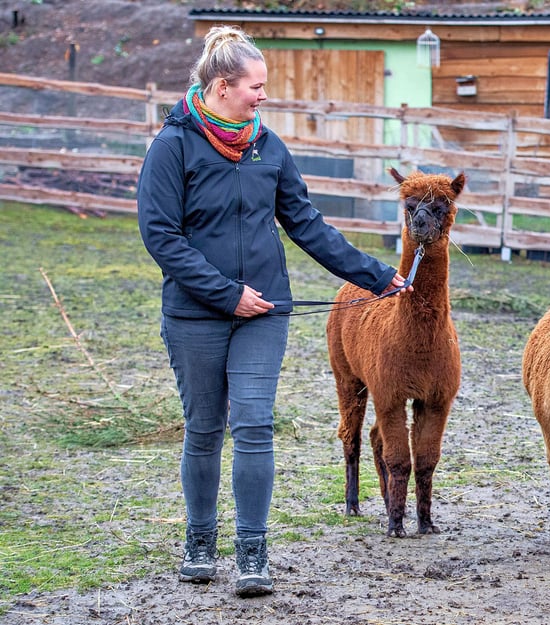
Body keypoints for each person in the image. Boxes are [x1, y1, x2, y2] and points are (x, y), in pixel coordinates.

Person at [137, 25, 409, 598]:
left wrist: (377, 275)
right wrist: (223, 292)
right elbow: (161, 236)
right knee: (205, 427)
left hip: (264, 311)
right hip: (195, 314)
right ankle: (199, 540)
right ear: (221, 86)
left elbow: (306, 224)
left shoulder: (267, 146)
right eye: (255, 86)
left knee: (255, 422)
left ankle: (253, 552)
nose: (263, 96)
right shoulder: (173, 146)